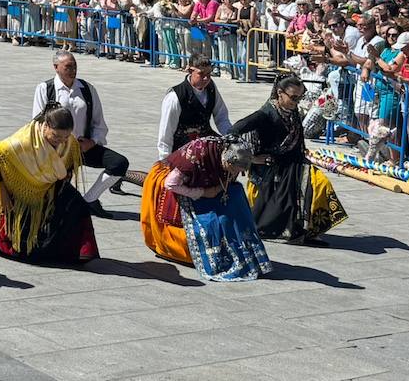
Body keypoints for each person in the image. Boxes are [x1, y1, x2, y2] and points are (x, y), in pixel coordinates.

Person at [0, 105, 98, 264]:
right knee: (21, 250)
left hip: (49, 188)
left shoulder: (69, 143)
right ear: (46, 126)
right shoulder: (22, 142)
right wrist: (1, 191)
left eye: (65, 137)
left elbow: (69, 161)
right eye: (56, 136)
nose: (61, 141)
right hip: (21, 196)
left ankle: (79, 252)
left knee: (77, 205)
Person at [231, 75, 347, 244]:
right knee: (315, 184)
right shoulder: (265, 114)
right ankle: (297, 230)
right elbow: (234, 130)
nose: (296, 101)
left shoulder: (292, 112)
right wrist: (253, 159)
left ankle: (306, 230)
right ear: (280, 93)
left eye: (299, 97)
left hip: (293, 163)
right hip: (271, 168)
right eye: (293, 97)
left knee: (320, 184)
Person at [142, 53, 234, 264]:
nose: (206, 79)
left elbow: (221, 117)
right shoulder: (175, 96)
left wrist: (230, 137)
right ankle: (181, 244)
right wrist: (165, 161)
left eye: (209, 74)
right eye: (202, 74)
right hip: (181, 153)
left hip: (206, 150)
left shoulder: (212, 89)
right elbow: (165, 133)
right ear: (189, 70)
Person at [159, 135, 271, 281]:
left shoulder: (231, 151)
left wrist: (220, 187)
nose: (233, 174)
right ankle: (220, 257)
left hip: (213, 186)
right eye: (232, 169)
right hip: (185, 187)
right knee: (213, 222)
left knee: (238, 204)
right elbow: (170, 184)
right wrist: (203, 193)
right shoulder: (195, 156)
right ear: (226, 160)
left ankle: (248, 254)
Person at [31, 52, 128, 215]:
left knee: (119, 163)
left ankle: (90, 199)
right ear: (56, 68)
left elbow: (99, 123)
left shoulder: (87, 89)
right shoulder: (45, 89)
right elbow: (37, 125)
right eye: (68, 66)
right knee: (58, 200)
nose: (73, 70)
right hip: (58, 151)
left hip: (83, 147)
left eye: (74, 66)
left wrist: (92, 141)